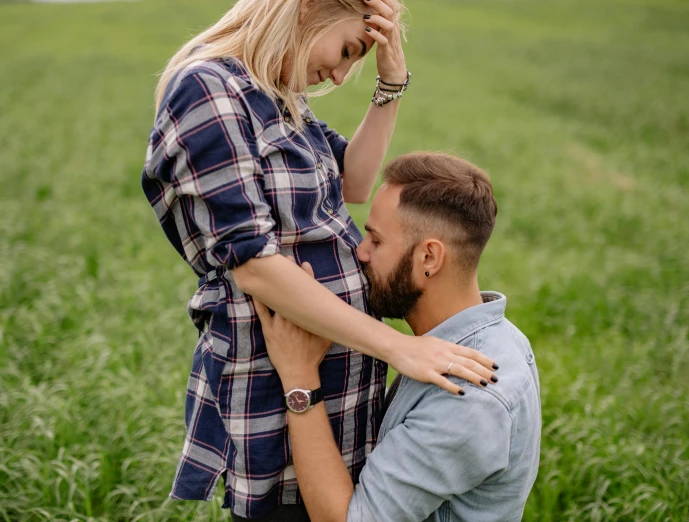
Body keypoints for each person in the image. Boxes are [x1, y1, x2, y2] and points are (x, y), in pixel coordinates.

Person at [141, 0, 498, 519]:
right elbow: (253, 263)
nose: (338, 73)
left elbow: (353, 182)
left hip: (341, 382)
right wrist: (398, 347)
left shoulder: (279, 96)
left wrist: (390, 85)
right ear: (311, 7)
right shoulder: (208, 90)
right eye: (348, 49)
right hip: (275, 381)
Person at [255, 152, 542, 522]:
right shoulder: (499, 337)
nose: (361, 252)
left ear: (429, 258)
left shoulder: (467, 397)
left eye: (375, 240)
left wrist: (300, 379)